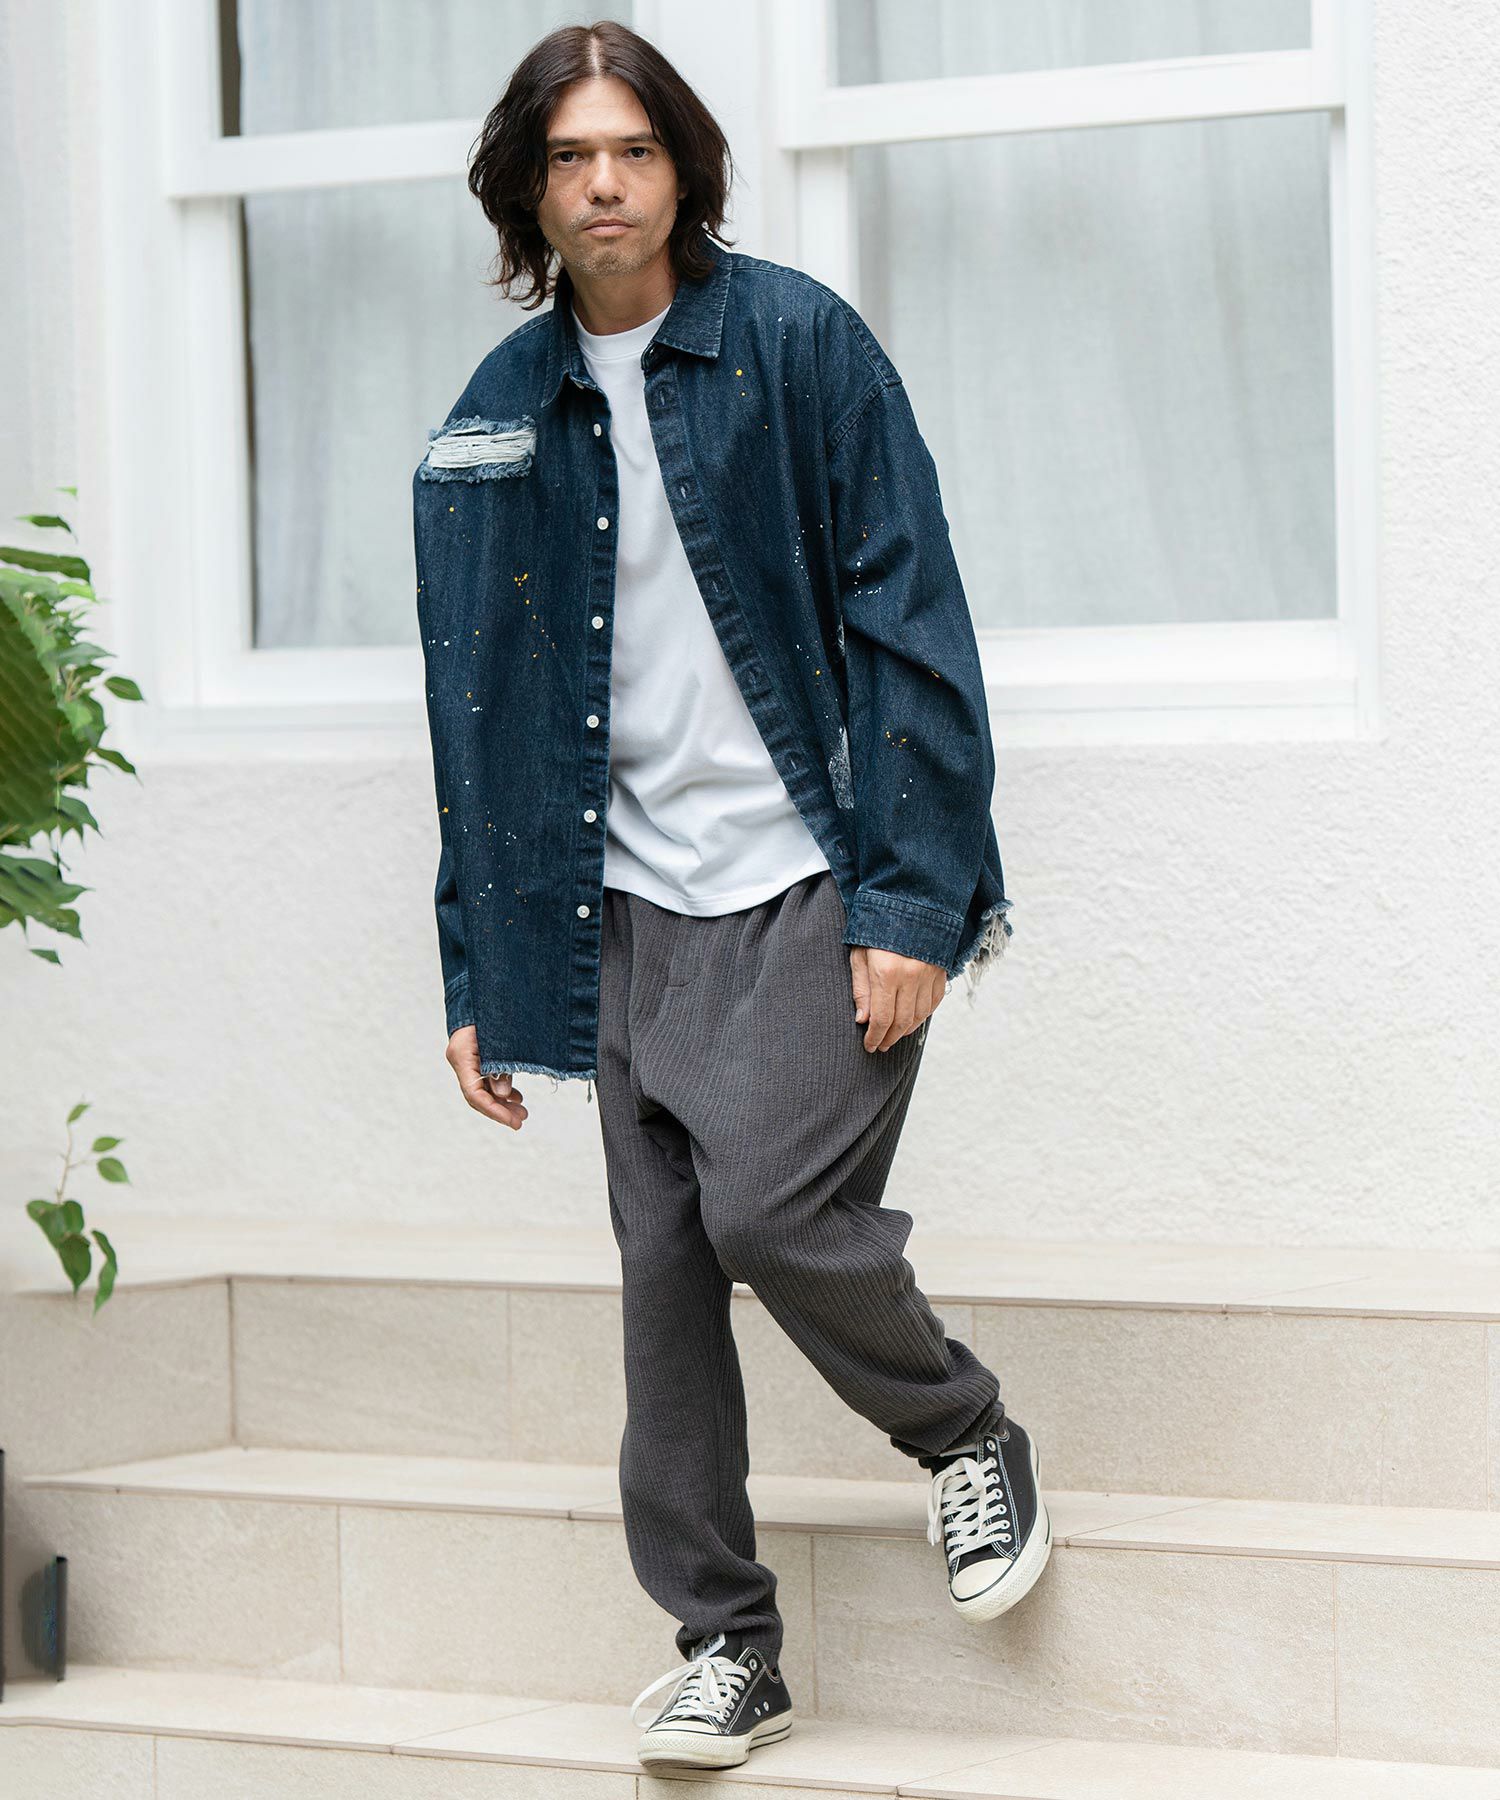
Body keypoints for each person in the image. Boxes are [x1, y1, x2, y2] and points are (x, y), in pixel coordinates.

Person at [412, 18, 1050, 1775]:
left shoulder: (797, 345)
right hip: (617, 902)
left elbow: (912, 622)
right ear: (528, 190)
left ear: (680, 167)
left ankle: (964, 1433)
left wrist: (912, 900)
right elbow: (475, 716)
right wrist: (477, 963)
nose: (604, 184)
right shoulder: (490, 420)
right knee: (663, 1273)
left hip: (811, 869)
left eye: (633, 149)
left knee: (770, 1210)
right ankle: (723, 1643)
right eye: (569, 157)